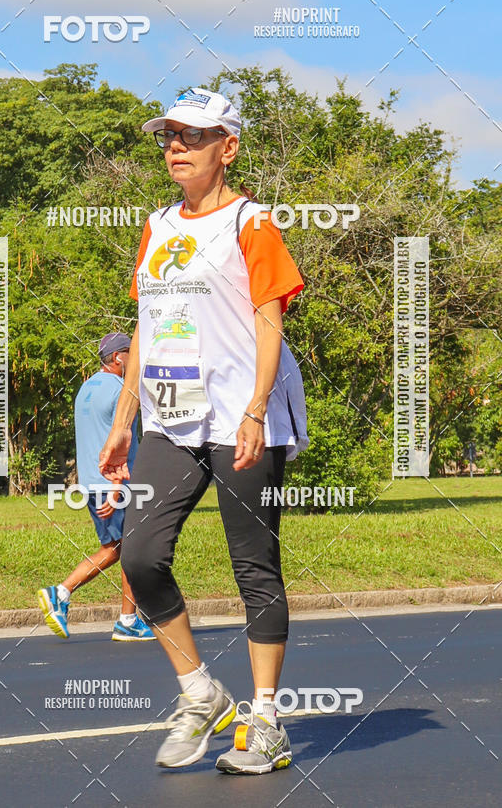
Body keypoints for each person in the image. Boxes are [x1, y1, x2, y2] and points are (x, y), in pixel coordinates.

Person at [99, 87, 308, 774]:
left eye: (192, 136)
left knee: (254, 567)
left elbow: (270, 320)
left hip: (242, 418)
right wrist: (125, 422)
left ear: (230, 147)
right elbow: (146, 332)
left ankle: (268, 721)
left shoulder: (251, 223)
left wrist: (254, 409)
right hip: (169, 419)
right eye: (169, 137)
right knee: (139, 555)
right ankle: (200, 692)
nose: (176, 147)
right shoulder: (158, 225)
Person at [37, 332, 155, 642]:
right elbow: (118, 441)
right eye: (132, 352)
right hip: (114, 483)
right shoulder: (121, 391)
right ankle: (65, 594)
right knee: (126, 549)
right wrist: (117, 487)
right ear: (119, 358)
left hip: (90, 482)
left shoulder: (86, 388)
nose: (136, 357)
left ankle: (123, 617)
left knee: (117, 548)